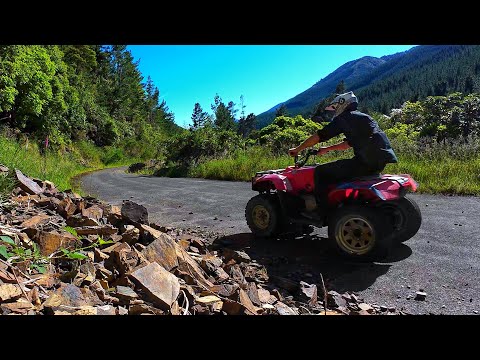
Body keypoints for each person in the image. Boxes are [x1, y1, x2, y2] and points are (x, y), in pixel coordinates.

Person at [288, 91, 398, 214]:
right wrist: (327, 149)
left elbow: (320, 136)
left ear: (343, 104)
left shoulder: (343, 118)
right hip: (379, 162)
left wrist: (297, 149)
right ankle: (342, 203)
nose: (334, 110)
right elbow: (348, 144)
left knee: (320, 172)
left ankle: (323, 211)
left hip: (364, 163)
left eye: (335, 107)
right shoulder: (362, 117)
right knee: (340, 170)